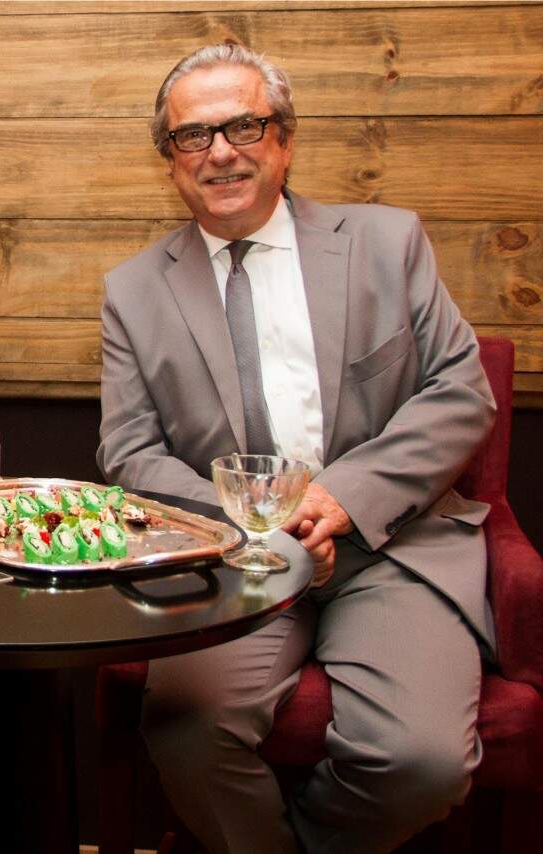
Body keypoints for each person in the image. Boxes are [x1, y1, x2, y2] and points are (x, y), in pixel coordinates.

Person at [97, 44, 494, 853]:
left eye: (244, 125)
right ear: (169, 160)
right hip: (230, 559)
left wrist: (343, 496)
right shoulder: (134, 291)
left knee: (419, 762)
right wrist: (257, 518)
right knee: (186, 735)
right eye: (192, 136)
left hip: (394, 550)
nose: (220, 152)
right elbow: (130, 453)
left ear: (284, 137)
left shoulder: (387, 243)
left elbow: (461, 390)